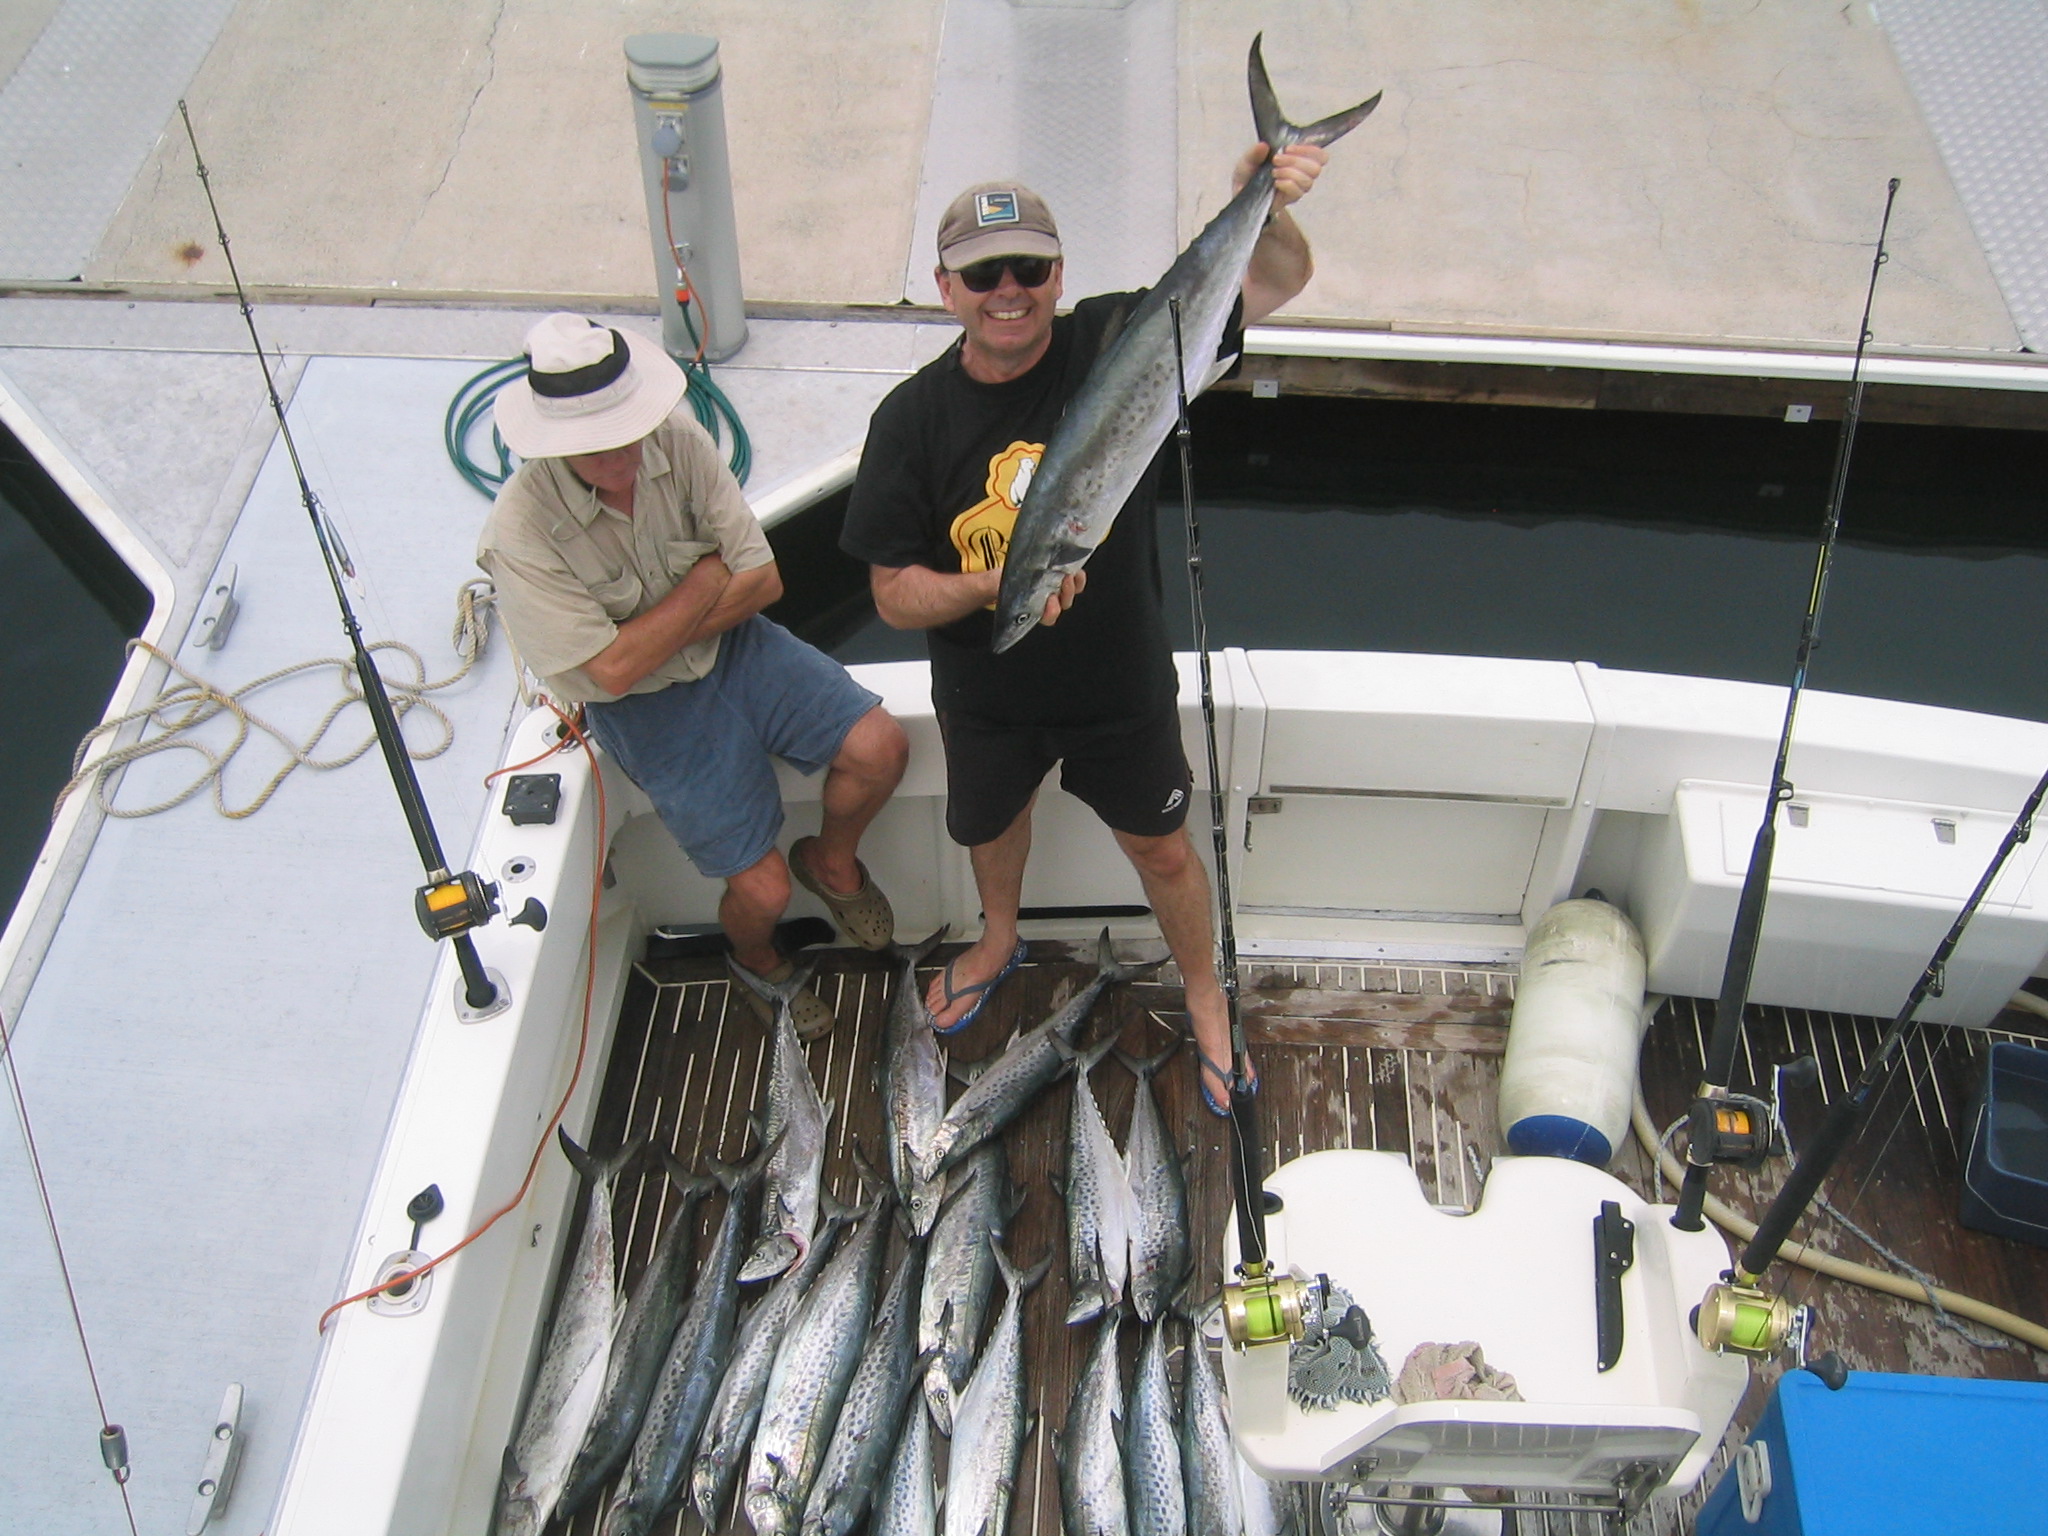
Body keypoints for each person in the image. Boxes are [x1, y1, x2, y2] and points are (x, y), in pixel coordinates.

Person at [840, 145, 1330, 1111]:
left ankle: (1203, 988)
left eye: (1030, 269)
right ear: (946, 289)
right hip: (988, 697)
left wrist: (1260, 200)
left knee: (1163, 847)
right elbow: (894, 594)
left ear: (1060, 276)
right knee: (993, 825)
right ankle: (996, 936)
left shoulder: (1121, 334)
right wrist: (994, 590)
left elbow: (1279, 276)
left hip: (1119, 686)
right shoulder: (911, 420)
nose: (1009, 291)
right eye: (984, 274)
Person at [483, 313, 907, 1038]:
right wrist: (705, 581)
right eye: (595, 444)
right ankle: (755, 963)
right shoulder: (516, 535)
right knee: (762, 890)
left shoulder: (679, 438)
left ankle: (832, 865)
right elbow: (611, 675)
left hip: (741, 648)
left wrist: (655, 630)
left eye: (628, 428)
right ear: (554, 444)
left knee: (882, 749)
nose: (621, 453)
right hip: (648, 709)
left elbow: (763, 583)